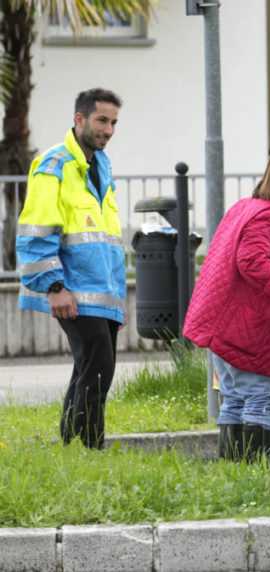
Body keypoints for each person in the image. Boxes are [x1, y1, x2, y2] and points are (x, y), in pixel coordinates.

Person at [183, 145, 270, 469]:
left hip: (224, 317)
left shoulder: (250, 206)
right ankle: (257, 477)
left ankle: (235, 476)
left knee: (235, 396)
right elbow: (251, 260)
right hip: (243, 322)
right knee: (261, 393)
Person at [16, 88, 124, 450]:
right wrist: (54, 286)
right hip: (71, 289)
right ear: (79, 119)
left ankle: (73, 446)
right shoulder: (54, 165)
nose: (108, 130)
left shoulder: (99, 165)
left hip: (100, 290)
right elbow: (37, 229)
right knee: (98, 368)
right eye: (101, 120)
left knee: (89, 368)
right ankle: (90, 448)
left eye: (113, 123)